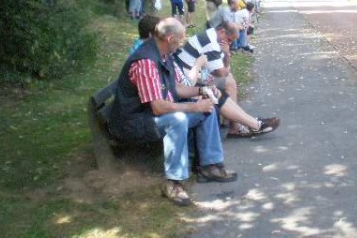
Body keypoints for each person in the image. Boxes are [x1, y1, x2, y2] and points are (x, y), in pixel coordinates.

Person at [108, 18, 237, 207]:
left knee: (207, 107)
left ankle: (210, 166)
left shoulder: (164, 54)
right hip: (132, 122)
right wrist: (193, 107)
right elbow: (158, 107)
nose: (182, 42)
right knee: (178, 120)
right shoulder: (146, 61)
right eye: (181, 38)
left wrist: (201, 91)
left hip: (149, 115)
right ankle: (172, 183)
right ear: (169, 38)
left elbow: (175, 87)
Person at [176, 21, 278, 138]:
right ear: (222, 31)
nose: (230, 43)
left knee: (227, 80)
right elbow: (221, 72)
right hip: (188, 80)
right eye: (229, 40)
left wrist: (226, 54)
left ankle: (235, 123)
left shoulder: (211, 36)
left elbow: (223, 70)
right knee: (228, 81)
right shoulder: (211, 43)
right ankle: (237, 126)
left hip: (193, 75)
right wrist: (227, 55)